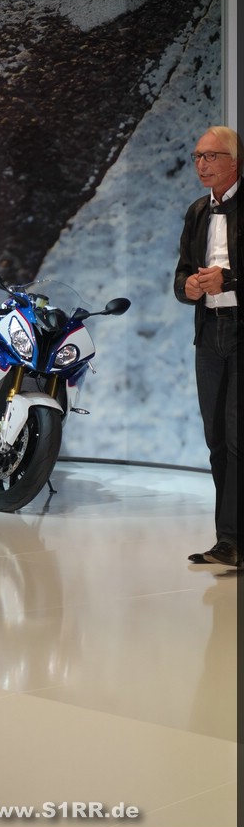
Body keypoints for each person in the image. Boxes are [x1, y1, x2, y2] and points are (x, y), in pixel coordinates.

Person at [174, 126, 242, 568]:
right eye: (198, 156)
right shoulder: (198, 212)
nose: (202, 164)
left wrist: (228, 280)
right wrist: (190, 287)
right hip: (209, 332)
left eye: (211, 156)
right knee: (216, 439)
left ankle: (234, 541)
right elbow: (180, 276)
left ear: (234, 162)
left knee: (237, 439)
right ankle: (226, 541)